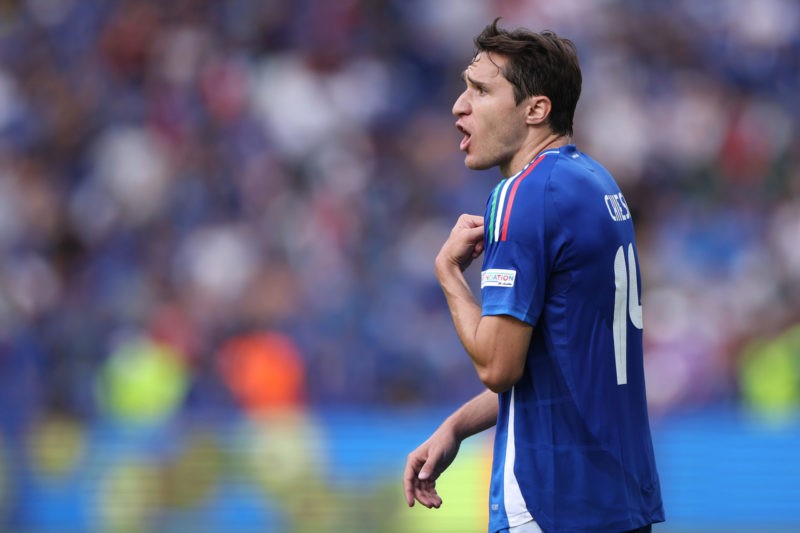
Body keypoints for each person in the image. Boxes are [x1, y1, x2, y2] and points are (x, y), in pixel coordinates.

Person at [403, 19, 665, 533]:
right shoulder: (595, 183)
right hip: (616, 497)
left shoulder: (522, 195)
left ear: (535, 109)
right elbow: (559, 365)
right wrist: (457, 426)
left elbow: (499, 368)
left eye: (479, 90)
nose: (459, 106)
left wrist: (449, 274)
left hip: (551, 500)